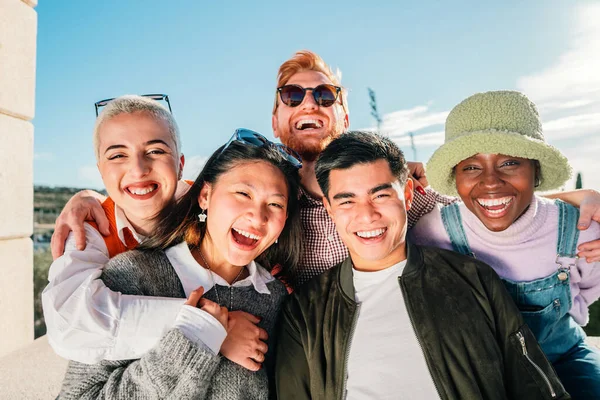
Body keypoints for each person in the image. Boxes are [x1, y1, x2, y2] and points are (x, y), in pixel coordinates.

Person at [50, 50, 600, 287]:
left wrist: (575, 200)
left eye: (323, 93)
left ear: (344, 112)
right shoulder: (260, 195)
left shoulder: (400, 191)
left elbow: (479, 213)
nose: (307, 103)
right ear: (276, 116)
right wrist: (85, 196)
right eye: (292, 95)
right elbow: (168, 192)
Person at [275, 131, 569, 400]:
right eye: (347, 201)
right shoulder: (304, 311)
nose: (367, 216)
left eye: (380, 195)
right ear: (329, 209)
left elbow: (534, 385)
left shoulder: (473, 278)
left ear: (406, 196)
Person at [59, 128, 302, 399]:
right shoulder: (134, 276)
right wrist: (201, 337)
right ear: (205, 196)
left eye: (275, 204)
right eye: (243, 194)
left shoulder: (275, 297)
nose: (258, 217)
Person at [43, 98, 271, 371]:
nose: (138, 169)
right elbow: (69, 324)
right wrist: (208, 328)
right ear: (101, 172)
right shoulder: (89, 229)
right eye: (117, 155)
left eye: (155, 151)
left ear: (181, 164)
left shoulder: (208, 204)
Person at [409, 90, 600, 399]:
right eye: (471, 167)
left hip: (564, 356)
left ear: (536, 170)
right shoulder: (434, 232)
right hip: (484, 370)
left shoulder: (578, 229)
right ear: (454, 176)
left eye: (509, 162)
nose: (491, 182)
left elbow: (589, 290)